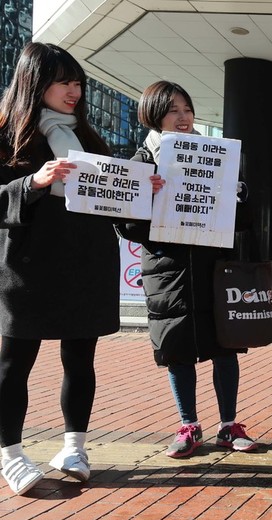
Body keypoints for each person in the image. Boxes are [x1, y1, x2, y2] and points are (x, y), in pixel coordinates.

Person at [116, 80, 258, 459]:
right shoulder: (141, 163)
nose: (182, 117)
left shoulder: (219, 156)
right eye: (172, 110)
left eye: (187, 109)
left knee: (224, 346)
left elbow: (244, 220)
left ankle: (229, 425)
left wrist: (238, 195)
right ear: (153, 115)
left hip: (213, 269)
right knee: (177, 348)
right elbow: (127, 226)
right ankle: (188, 424)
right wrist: (147, 195)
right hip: (168, 272)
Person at [0, 43, 118, 495]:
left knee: (80, 360)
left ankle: (74, 446)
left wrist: (147, 192)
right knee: (14, 364)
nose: (74, 92)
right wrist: (33, 182)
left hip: (83, 265)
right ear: (35, 83)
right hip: (26, 270)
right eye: (64, 82)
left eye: (78, 84)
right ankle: (10, 453)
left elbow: (117, 202)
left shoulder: (89, 138)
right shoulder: (8, 134)